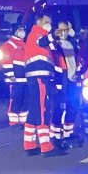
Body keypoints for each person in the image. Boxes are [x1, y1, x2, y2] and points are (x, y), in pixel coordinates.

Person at [22, 12, 62, 156]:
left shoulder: (35, 35)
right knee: (43, 110)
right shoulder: (37, 34)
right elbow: (42, 42)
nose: (48, 24)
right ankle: (46, 145)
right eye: (46, 21)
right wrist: (54, 34)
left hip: (37, 78)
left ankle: (29, 144)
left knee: (34, 110)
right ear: (38, 22)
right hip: (40, 78)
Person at [54, 20, 83, 146]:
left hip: (72, 80)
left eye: (65, 30)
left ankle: (68, 134)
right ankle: (55, 136)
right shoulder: (55, 45)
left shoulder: (71, 44)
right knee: (60, 108)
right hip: (61, 81)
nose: (63, 32)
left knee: (72, 107)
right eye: (61, 30)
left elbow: (77, 56)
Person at [0, 25, 27, 125]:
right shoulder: (9, 45)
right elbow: (6, 60)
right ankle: (14, 121)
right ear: (14, 31)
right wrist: (10, 75)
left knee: (25, 99)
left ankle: (23, 120)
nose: (22, 32)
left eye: (23, 30)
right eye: (20, 30)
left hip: (25, 78)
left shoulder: (24, 44)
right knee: (16, 98)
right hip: (15, 78)